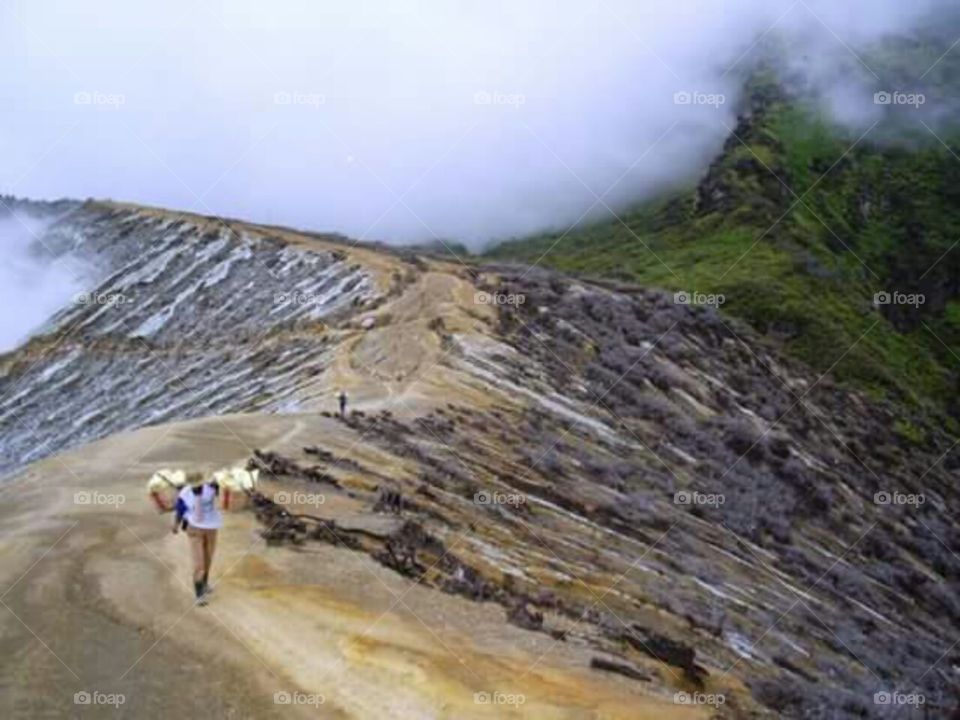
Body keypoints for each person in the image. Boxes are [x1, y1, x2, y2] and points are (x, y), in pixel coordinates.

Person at [172, 471, 222, 605]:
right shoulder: (184, 494)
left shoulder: (211, 489)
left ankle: (205, 583)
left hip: (211, 527)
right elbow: (180, 510)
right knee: (198, 562)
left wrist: (218, 482)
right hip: (194, 529)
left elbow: (224, 490)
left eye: (198, 486)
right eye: (194, 487)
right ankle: (199, 595)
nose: (196, 489)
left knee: (208, 558)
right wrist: (176, 525)